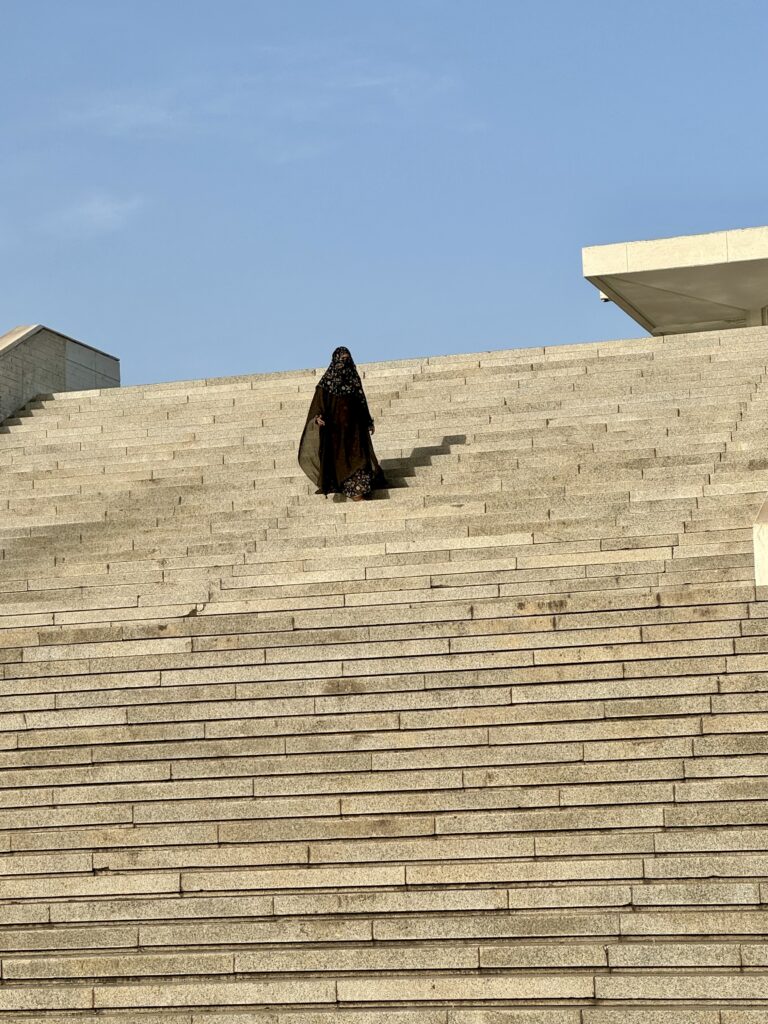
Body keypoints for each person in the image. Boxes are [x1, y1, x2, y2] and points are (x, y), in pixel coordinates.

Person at [298, 346, 387, 500]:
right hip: (336, 432)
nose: (344, 363)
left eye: (346, 359)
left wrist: (368, 420)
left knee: (360, 459)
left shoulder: (353, 379)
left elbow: (361, 401)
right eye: (341, 359)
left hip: (356, 429)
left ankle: (360, 490)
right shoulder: (326, 382)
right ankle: (353, 491)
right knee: (342, 462)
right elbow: (318, 403)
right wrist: (317, 418)